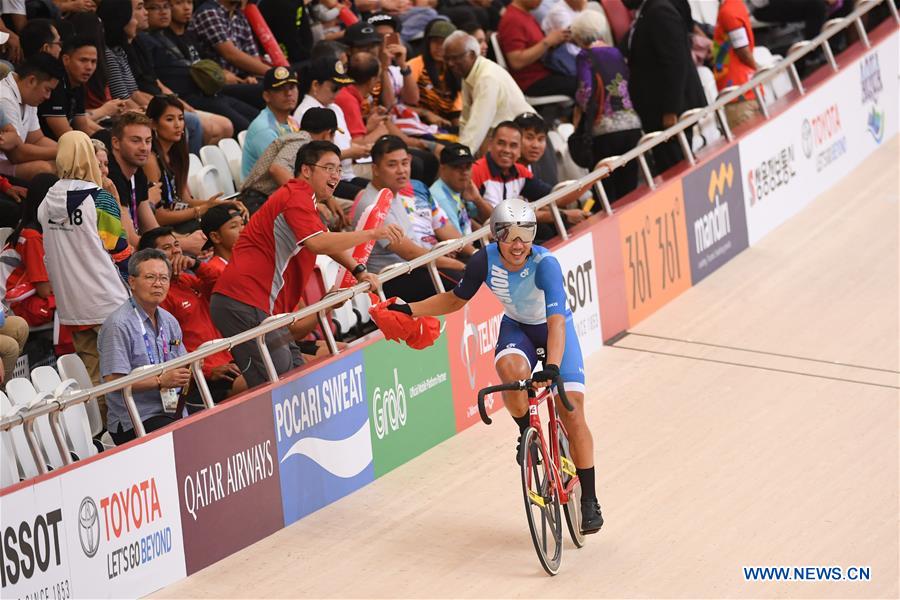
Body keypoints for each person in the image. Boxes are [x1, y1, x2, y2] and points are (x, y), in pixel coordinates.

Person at [385, 197, 604, 534]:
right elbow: (455, 300)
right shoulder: (482, 261)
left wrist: (554, 367)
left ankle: (589, 499)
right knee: (511, 374)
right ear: (496, 236)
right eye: (511, 236)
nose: (519, 245)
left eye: (526, 235)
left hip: (554, 328)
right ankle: (525, 432)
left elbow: (557, 322)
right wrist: (410, 310)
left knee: (571, 412)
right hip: (518, 327)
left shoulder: (545, 264)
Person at [210, 141, 403, 388]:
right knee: (275, 381)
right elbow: (320, 243)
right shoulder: (296, 196)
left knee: (294, 369)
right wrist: (373, 234)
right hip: (243, 300)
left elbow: (327, 242)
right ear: (306, 170)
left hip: (262, 304)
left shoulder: (304, 201)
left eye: (339, 169)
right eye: (329, 168)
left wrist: (359, 270)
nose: (336, 175)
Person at [39, 131, 132, 422]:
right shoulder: (100, 198)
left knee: (95, 377)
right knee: (123, 376)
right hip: (109, 301)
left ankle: (104, 434)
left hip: (73, 307)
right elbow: (118, 248)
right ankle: (126, 434)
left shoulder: (46, 202)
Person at [352, 135, 470, 303]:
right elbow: (410, 253)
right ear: (375, 169)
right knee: (466, 280)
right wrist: (461, 266)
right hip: (391, 280)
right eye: (392, 164)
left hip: (412, 269)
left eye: (404, 163)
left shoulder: (393, 192)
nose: (401, 170)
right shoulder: (373, 204)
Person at [138, 226, 247, 401]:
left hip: (230, 360)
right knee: (262, 379)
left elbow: (226, 286)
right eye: (166, 248)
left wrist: (196, 265)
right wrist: (206, 371)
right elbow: (169, 346)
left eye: (176, 245)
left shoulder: (189, 279)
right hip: (205, 377)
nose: (176, 251)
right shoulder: (157, 296)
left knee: (284, 364)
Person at [98, 248, 190, 444]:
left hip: (172, 408)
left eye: (164, 278)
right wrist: (160, 381)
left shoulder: (169, 320)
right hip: (135, 418)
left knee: (213, 421)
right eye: (150, 277)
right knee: (187, 438)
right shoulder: (119, 325)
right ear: (132, 282)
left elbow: (183, 363)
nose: (158, 284)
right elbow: (113, 382)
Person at [144, 0, 259, 133]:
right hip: (188, 95)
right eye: (179, 3)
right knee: (249, 128)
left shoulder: (187, 36)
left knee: (259, 116)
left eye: (166, 7)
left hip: (209, 91)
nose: (163, 12)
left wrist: (242, 77)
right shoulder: (149, 41)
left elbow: (206, 63)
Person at [623, 0, 706, 173]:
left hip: (670, 116)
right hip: (658, 115)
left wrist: (671, 110)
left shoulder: (659, 11)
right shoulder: (648, 11)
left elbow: (676, 63)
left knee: (678, 171)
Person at [144, 94, 231, 254]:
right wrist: (200, 210)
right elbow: (158, 216)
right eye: (170, 120)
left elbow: (185, 199)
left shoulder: (178, 153)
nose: (178, 125)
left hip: (182, 219)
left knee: (230, 218)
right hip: (164, 229)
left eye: (181, 118)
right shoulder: (150, 160)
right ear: (154, 124)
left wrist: (217, 204)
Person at [571, 9, 641, 201]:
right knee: (629, 186)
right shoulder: (616, 52)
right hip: (632, 124)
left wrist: (579, 107)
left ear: (578, 35)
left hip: (604, 129)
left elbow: (585, 91)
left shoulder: (585, 56)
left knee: (609, 192)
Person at [470, 121, 584, 231]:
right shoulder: (475, 171)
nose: (506, 150)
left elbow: (555, 198)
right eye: (501, 143)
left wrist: (596, 177)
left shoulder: (520, 172)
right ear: (490, 144)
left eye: (513, 145)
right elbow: (493, 220)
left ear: (519, 151)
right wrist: (563, 215)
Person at [293, 56, 371, 200]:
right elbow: (312, 157)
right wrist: (351, 152)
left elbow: (343, 140)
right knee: (367, 199)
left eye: (341, 88)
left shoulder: (334, 107)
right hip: (326, 180)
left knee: (381, 191)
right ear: (316, 85)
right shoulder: (306, 112)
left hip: (346, 174)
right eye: (334, 88)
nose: (338, 93)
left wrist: (362, 149)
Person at [443, 31, 532, 155]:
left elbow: (478, 124)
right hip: (505, 138)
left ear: (472, 55)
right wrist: (460, 151)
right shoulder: (468, 73)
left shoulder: (487, 77)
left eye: (456, 58)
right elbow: (466, 119)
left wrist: (460, 156)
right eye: (447, 59)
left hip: (525, 141)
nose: (450, 64)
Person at [4, 174, 58, 328]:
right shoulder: (32, 236)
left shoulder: (36, 230)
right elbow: (45, 291)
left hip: (19, 297)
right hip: (9, 303)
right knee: (66, 304)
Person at [0, 53, 62, 182]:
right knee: (44, 170)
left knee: (64, 164)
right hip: (5, 162)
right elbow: (16, 154)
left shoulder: (29, 96)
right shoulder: (4, 98)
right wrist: (64, 152)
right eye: (47, 89)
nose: (48, 97)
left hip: (11, 161)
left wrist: (68, 149)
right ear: (32, 81)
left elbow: (36, 139)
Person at [497, 0, 575, 97]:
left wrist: (557, 40)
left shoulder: (526, 14)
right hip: (531, 81)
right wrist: (548, 41)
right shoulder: (512, 19)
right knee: (583, 85)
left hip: (545, 72)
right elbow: (516, 62)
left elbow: (537, 46)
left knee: (588, 76)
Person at [105, 111, 161, 239]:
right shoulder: (111, 176)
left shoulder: (138, 172)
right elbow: (130, 240)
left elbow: (152, 229)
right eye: (136, 141)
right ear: (116, 143)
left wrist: (180, 241)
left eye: (148, 141)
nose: (144, 148)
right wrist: (184, 244)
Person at [38, 36, 105, 140]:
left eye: (93, 62)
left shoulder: (78, 85)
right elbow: (67, 136)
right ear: (66, 60)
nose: (89, 67)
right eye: (83, 60)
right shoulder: (55, 84)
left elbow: (83, 128)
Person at [241, 66, 301, 181]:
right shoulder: (264, 129)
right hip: (262, 195)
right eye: (280, 89)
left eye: (292, 87)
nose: (288, 93)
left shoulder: (292, 121)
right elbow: (280, 173)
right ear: (266, 96)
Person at [189, 0, 270, 81]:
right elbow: (230, 54)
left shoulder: (239, 16)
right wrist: (274, 73)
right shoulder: (209, 12)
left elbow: (254, 57)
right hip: (215, 81)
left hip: (240, 79)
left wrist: (252, 77)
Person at [712, 0, 762, 129]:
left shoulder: (728, 11)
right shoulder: (733, 6)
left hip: (739, 93)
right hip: (742, 89)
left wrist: (758, 70)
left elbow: (742, 51)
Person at [407, 19, 461, 130]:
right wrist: (425, 113)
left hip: (443, 128)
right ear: (428, 43)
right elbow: (397, 105)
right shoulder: (415, 65)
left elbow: (456, 114)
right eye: (435, 41)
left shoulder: (456, 70)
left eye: (444, 42)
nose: (439, 47)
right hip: (414, 124)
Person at [429, 142, 479, 236]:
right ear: (443, 168)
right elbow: (459, 243)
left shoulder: (456, 188)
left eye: (468, 167)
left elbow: (471, 220)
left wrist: (477, 200)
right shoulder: (440, 197)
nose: (464, 172)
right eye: (457, 167)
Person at [199, 201, 244, 278]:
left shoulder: (244, 259)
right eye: (233, 226)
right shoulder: (214, 271)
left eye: (242, 224)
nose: (243, 230)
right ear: (215, 237)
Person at [514, 111, 558, 188]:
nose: (535, 145)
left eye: (541, 139)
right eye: (529, 138)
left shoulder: (539, 168)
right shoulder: (503, 171)